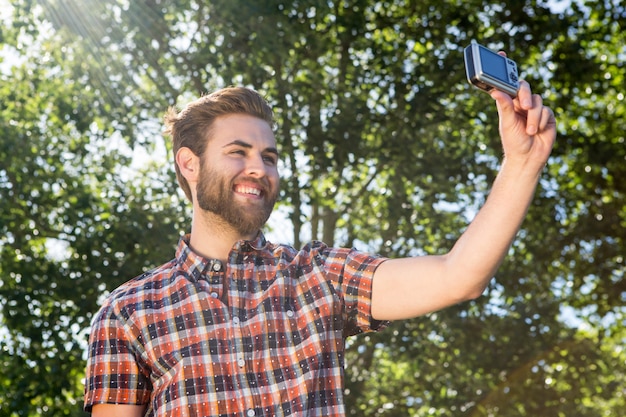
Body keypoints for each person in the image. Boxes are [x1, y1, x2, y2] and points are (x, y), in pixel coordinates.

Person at [84, 79, 556, 416]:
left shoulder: (317, 274)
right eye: (238, 152)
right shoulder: (129, 311)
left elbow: (460, 276)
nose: (259, 168)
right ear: (189, 164)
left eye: (269, 157)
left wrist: (523, 162)